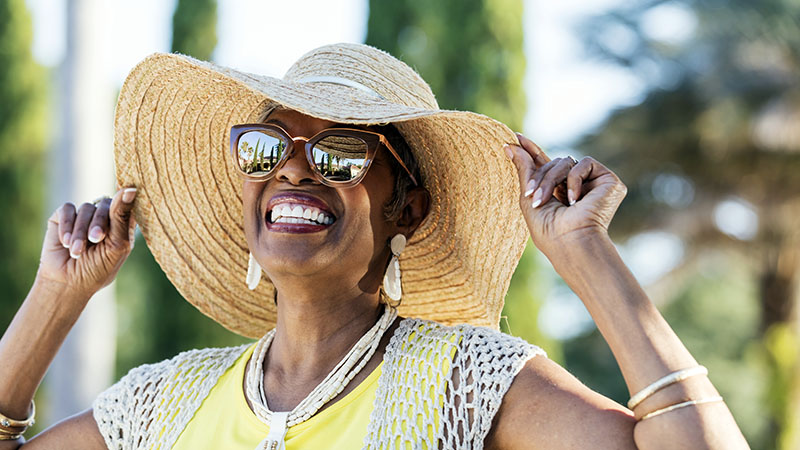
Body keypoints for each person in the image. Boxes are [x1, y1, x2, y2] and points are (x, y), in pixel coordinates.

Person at [0, 43, 748, 449]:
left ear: (407, 209)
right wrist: (55, 299)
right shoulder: (162, 405)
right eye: (266, 148)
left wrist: (587, 257)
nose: (293, 166)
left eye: (341, 154)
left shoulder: (469, 384)